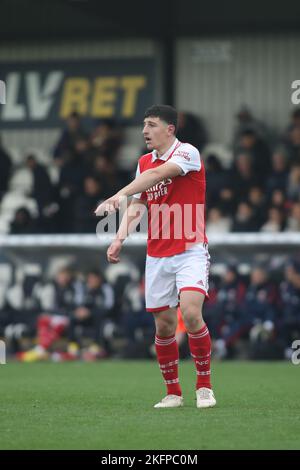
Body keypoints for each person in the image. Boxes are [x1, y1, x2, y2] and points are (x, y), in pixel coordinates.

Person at [95, 104, 216, 409]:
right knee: (163, 326)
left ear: (169, 129)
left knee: (190, 313)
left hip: (190, 248)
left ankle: (204, 386)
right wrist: (119, 238)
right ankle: (173, 393)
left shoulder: (188, 152)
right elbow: (139, 204)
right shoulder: (143, 161)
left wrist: (117, 194)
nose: (145, 130)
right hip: (158, 254)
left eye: (151, 124)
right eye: (143, 125)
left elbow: (159, 175)